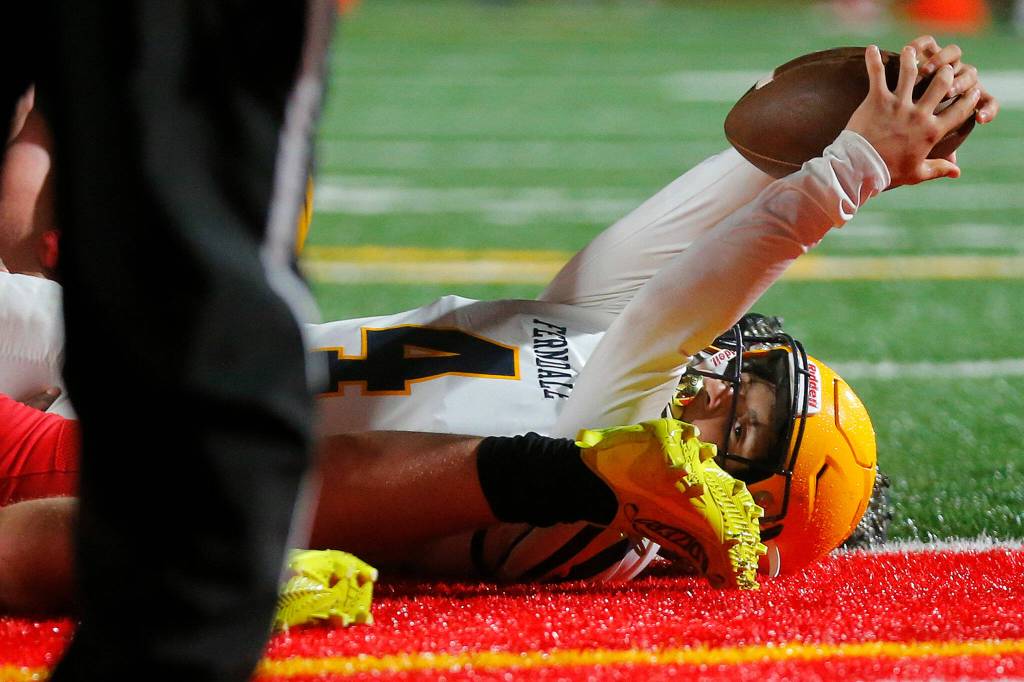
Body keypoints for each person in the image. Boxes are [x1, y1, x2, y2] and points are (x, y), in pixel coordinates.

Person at [0, 40, 995, 611]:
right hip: (138, 353)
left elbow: (691, 294)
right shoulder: (614, 357)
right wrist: (859, 121)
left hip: (135, 457)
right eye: (755, 377)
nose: (722, 388)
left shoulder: (605, 493)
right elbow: (678, 250)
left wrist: (856, 170)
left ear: (732, 516)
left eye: (744, 429)